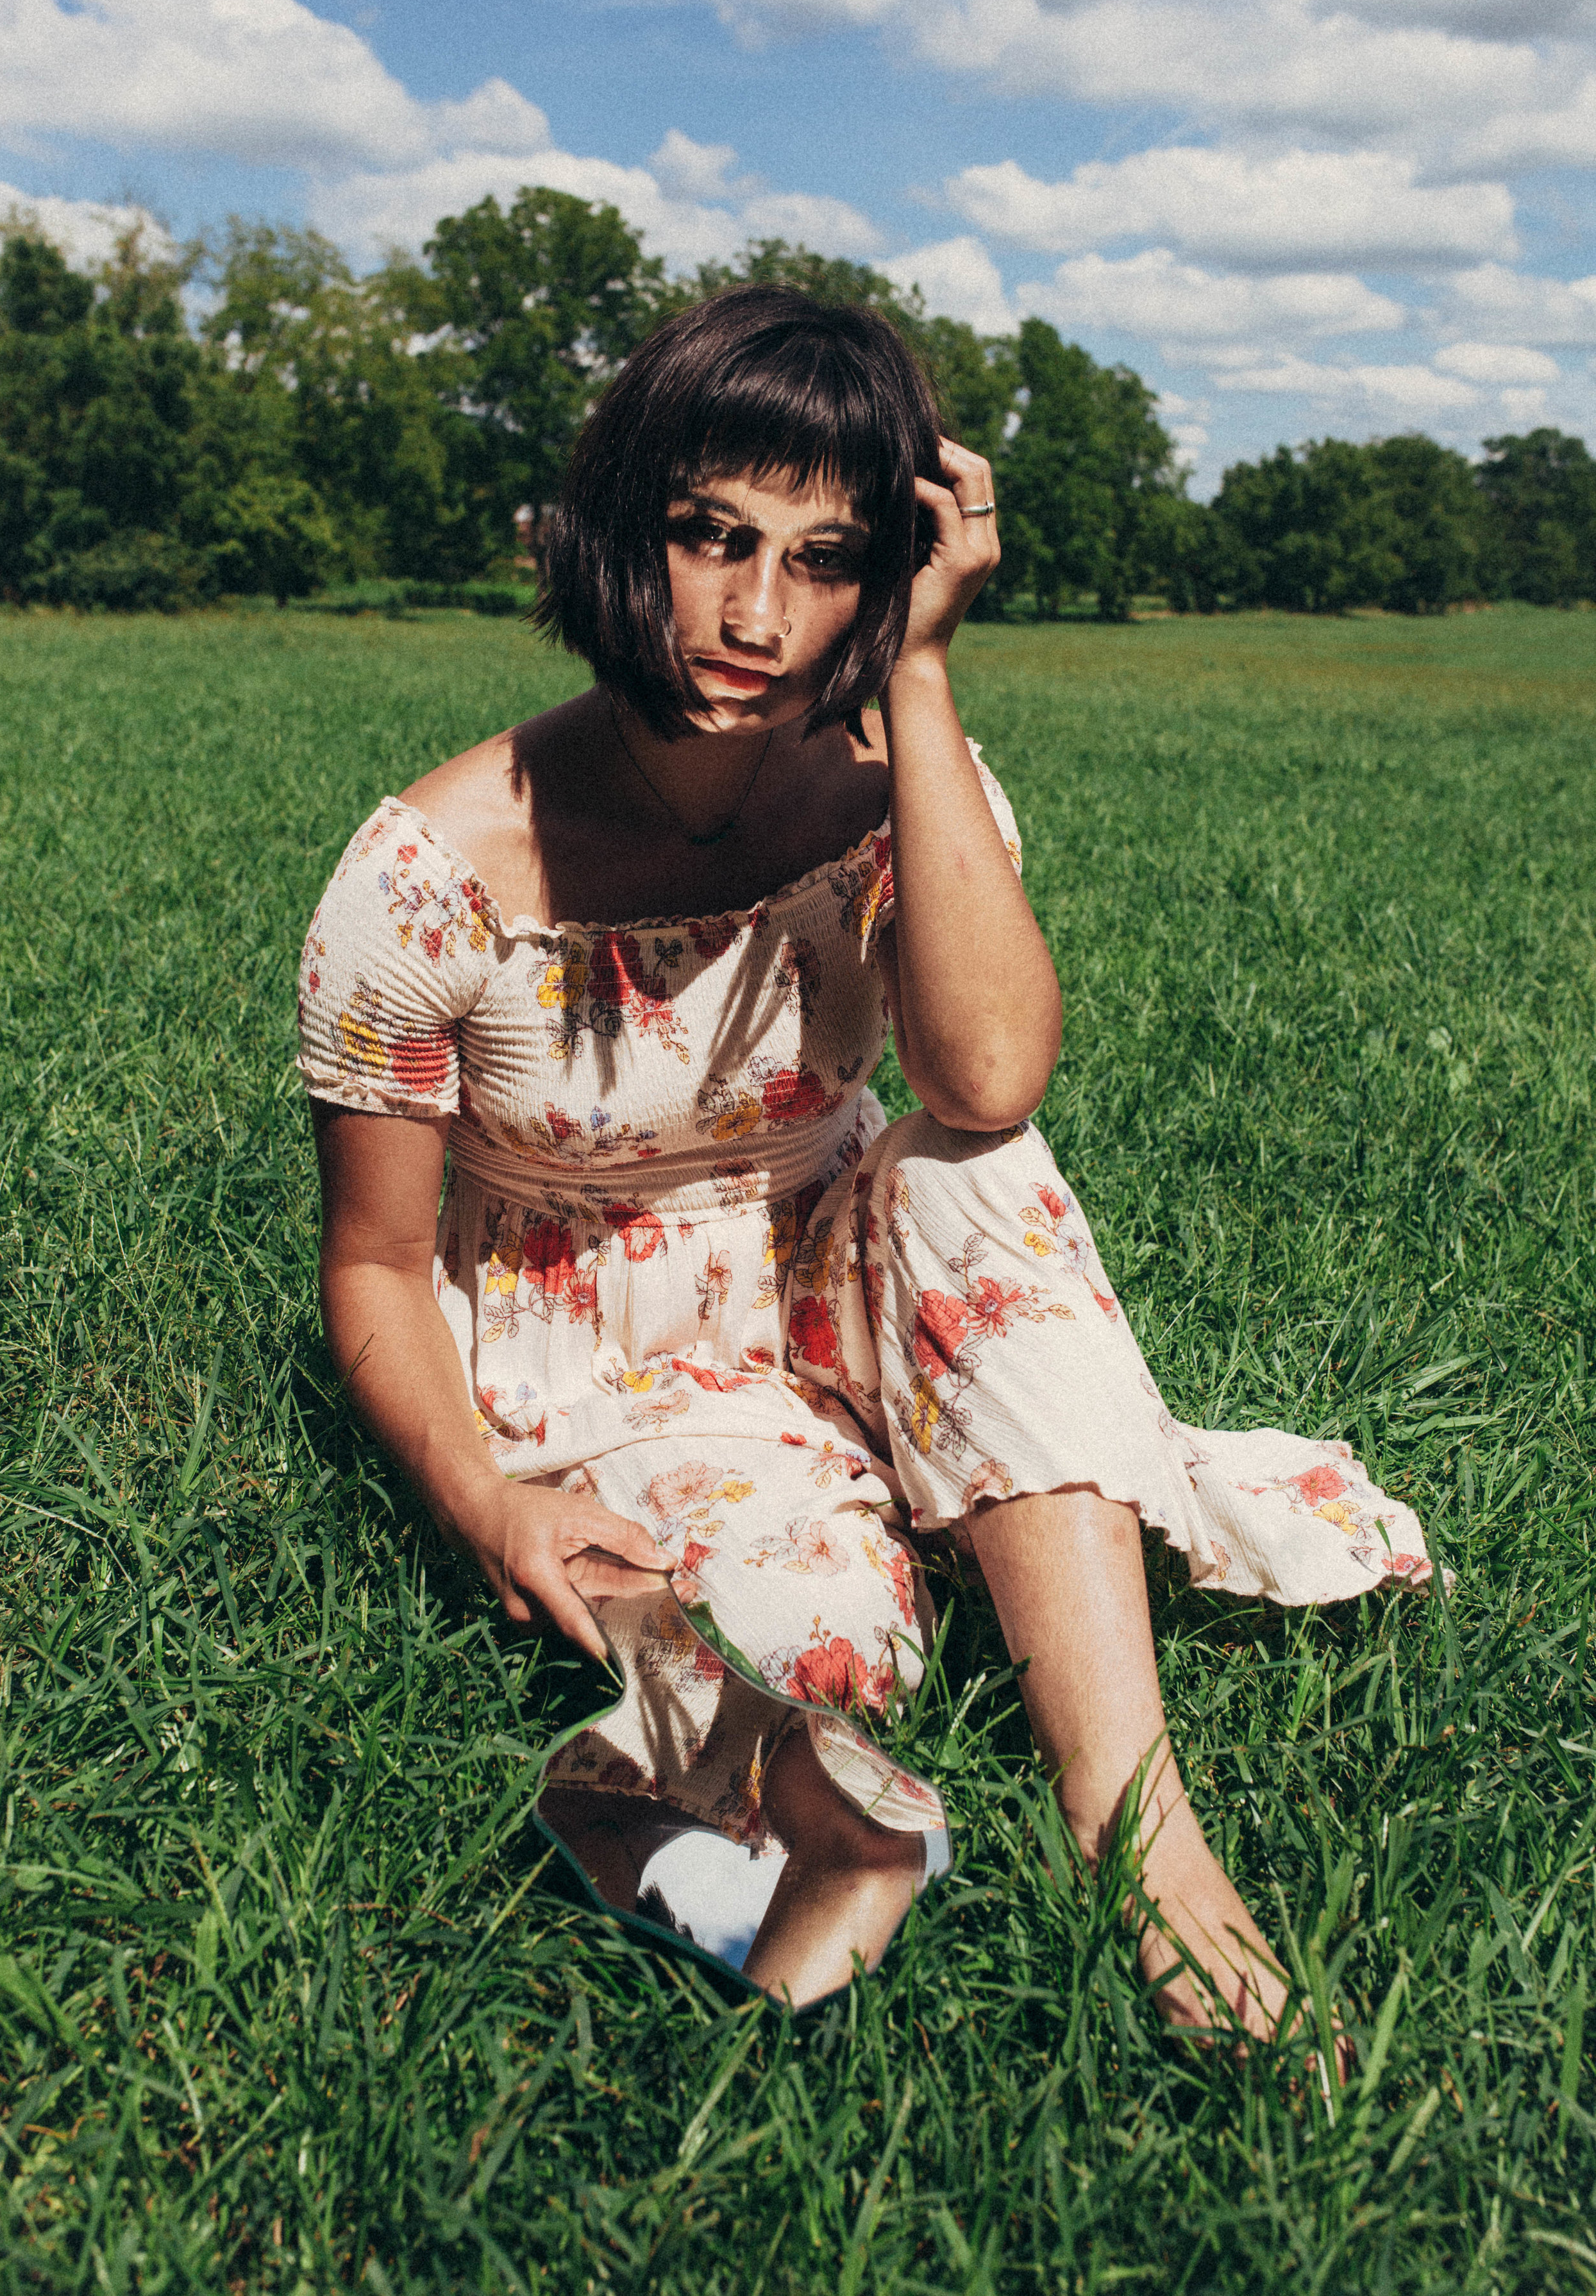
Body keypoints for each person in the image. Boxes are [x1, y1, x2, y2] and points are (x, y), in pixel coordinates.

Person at [299, 286, 1433, 2025]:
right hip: (588, 1356)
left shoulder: (898, 771)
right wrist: (485, 1496)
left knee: (974, 1163)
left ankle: (1137, 1827)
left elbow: (983, 1076)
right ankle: (743, 1787)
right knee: (847, 1658)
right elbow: (376, 1267)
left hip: (851, 1261)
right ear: (624, 531)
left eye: (825, 562)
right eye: (709, 538)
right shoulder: (425, 876)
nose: (756, 614)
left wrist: (916, 677)